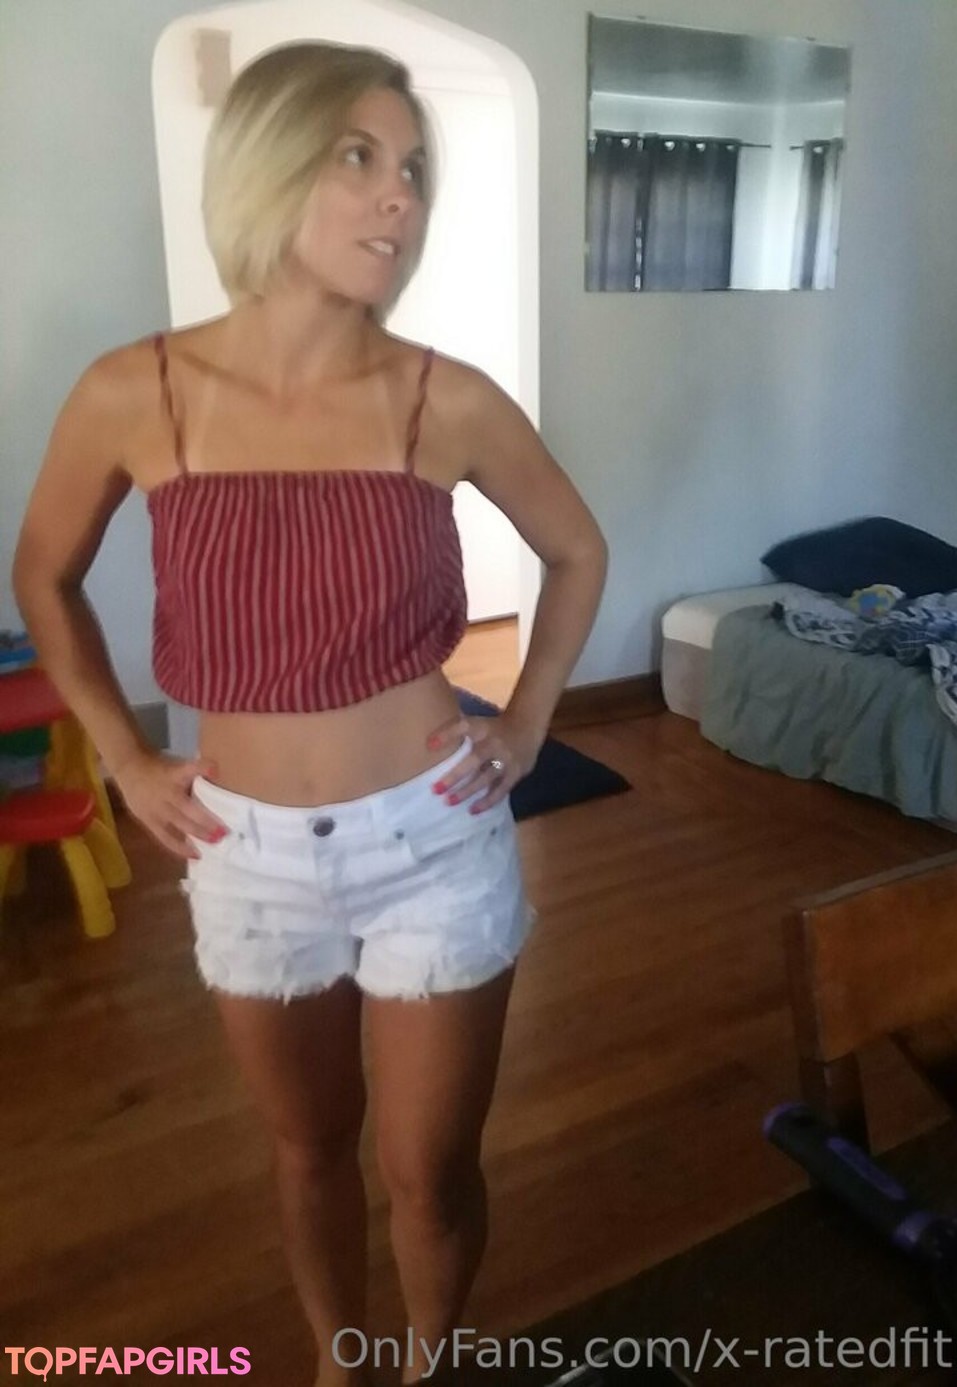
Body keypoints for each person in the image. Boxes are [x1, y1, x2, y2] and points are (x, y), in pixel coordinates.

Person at [12, 40, 607, 1387]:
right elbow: (42, 574)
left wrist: (526, 722)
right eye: (359, 157)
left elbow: (578, 550)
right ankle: (342, 1365)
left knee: (430, 1170)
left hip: (434, 837)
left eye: (414, 169)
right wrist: (121, 757)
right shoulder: (137, 392)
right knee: (307, 1150)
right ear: (266, 166)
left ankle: (432, 1362)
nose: (401, 196)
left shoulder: (443, 398)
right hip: (247, 855)